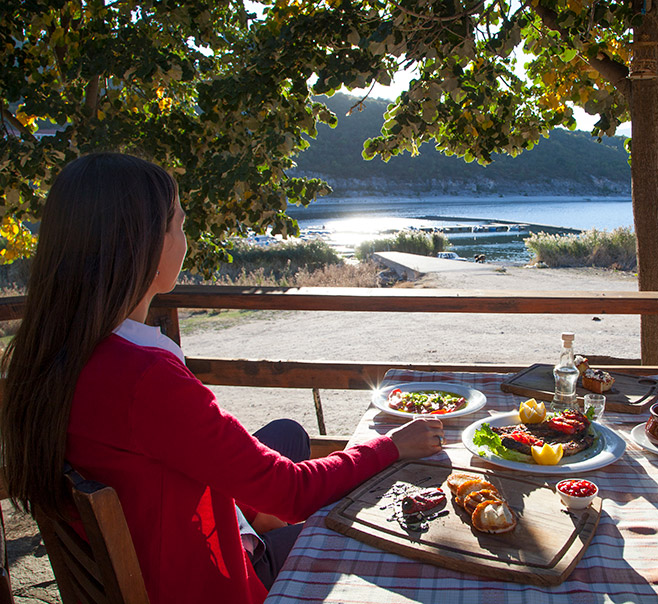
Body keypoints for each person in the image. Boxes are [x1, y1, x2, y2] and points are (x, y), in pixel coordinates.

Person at [0, 153, 445, 604]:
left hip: (158, 532)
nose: (185, 240)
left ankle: (259, 522)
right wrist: (391, 445)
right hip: (206, 580)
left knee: (287, 434)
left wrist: (252, 503)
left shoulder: (53, 351)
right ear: (144, 245)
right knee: (356, 538)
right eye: (179, 225)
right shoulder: (144, 379)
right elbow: (291, 493)